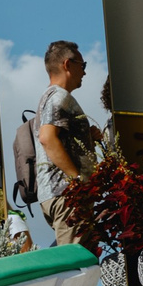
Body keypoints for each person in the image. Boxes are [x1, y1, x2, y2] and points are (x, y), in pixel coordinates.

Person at [37, 39, 102, 248]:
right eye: (82, 66)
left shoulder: (49, 98)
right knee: (74, 268)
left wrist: (87, 136)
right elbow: (47, 138)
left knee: (80, 262)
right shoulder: (59, 97)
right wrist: (77, 180)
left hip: (59, 194)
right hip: (67, 194)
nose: (84, 72)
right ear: (67, 65)